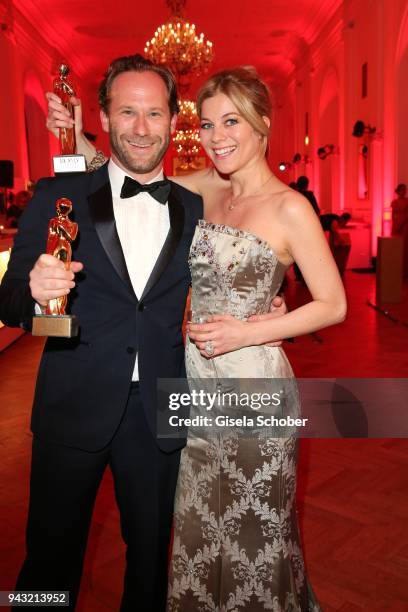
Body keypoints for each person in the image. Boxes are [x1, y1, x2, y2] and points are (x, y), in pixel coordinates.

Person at [46, 65, 346, 611]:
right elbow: (119, 176)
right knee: (198, 524)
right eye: (207, 125)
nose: (218, 137)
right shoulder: (202, 190)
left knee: (255, 529)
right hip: (191, 384)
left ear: (263, 124)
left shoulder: (290, 207)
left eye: (232, 122)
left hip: (254, 388)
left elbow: (334, 305)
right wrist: (78, 134)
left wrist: (255, 326)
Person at [1, 55, 285, 612]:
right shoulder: (56, 195)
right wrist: (32, 290)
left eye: (154, 113)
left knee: (153, 562)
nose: (140, 126)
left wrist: (266, 309)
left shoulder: (197, 204)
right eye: (127, 111)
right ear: (105, 119)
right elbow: (8, 304)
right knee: (48, 561)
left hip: (163, 406)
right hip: (71, 405)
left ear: (172, 121)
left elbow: (234, 270)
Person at [391, 183, 408, 277]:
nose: (404, 192)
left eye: (405, 190)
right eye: (402, 190)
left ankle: (404, 272)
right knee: (396, 247)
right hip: (396, 226)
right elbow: (393, 216)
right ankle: (396, 270)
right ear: (398, 191)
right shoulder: (394, 202)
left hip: (405, 226)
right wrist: (395, 225)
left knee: (405, 248)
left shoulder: (407, 201)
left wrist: (402, 223)